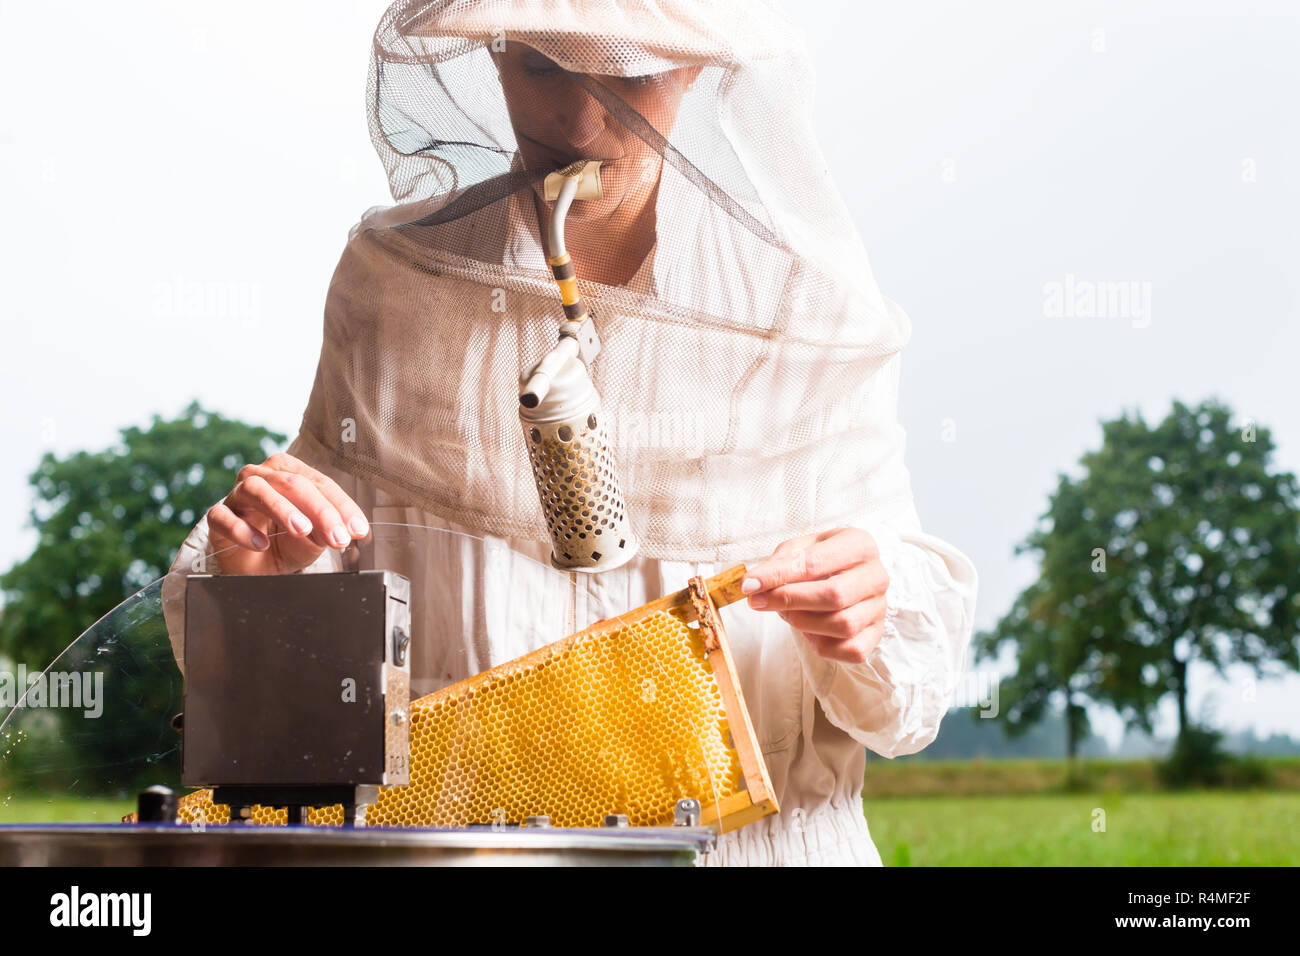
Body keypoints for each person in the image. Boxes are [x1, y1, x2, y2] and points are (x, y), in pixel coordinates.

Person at [162, 0, 978, 866]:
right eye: (545, 66)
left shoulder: (802, 310)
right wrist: (259, 587)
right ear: (496, 53)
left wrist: (869, 605)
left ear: (696, 61)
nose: (583, 121)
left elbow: (903, 707)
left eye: (628, 73)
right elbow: (299, 720)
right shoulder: (392, 285)